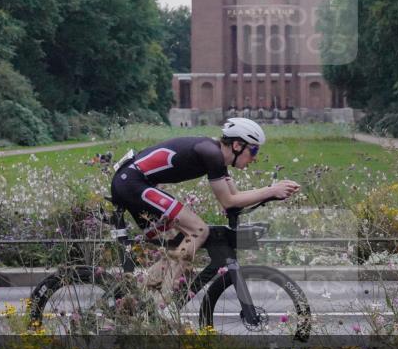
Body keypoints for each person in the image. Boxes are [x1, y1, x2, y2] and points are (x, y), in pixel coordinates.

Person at [110, 118, 299, 306]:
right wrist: (271, 190)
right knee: (198, 230)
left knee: (175, 247)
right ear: (237, 145)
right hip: (132, 183)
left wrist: (270, 192)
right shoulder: (211, 153)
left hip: (132, 183)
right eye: (254, 150)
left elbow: (235, 197)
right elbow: (228, 201)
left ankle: (134, 296)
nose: (255, 157)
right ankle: (161, 303)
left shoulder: (216, 156)